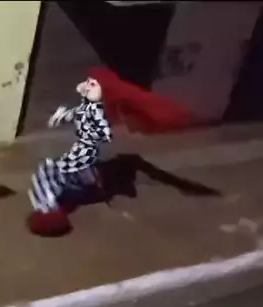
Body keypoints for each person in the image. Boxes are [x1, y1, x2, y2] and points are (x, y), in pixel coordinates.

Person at [27, 66, 194, 236]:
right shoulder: (48, 199)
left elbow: (61, 172)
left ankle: (108, 96)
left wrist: (97, 183)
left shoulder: (48, 197)